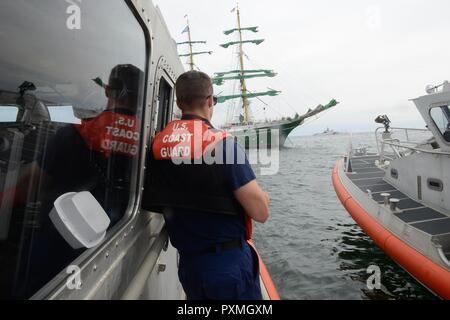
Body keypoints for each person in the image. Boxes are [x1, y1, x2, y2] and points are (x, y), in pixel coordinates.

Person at [144, 70, 270, 300]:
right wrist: (264, 198)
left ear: (179, 102)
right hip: (227, 266)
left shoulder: (156, 147)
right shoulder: (221, 145)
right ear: (210, 100)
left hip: (190, 267)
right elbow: (261, 212)